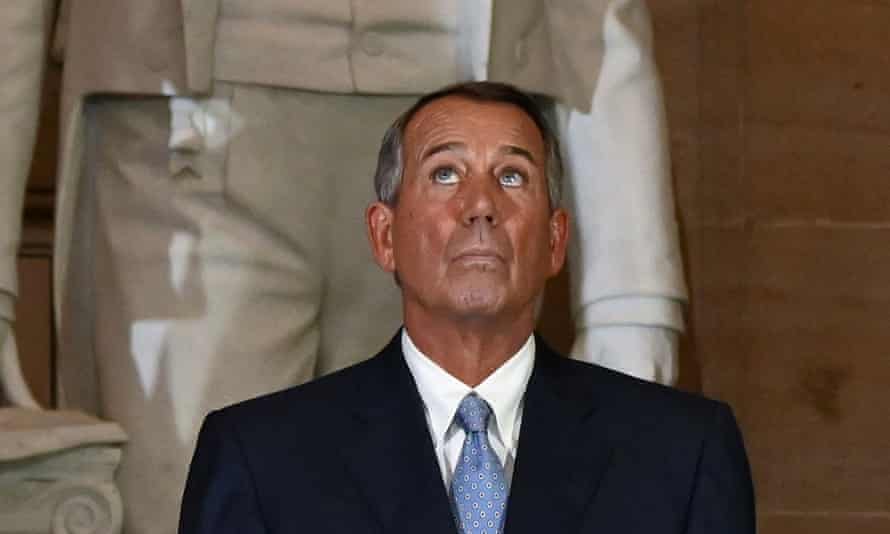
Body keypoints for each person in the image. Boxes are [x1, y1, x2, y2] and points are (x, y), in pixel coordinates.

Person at [1, 2, 686, 532]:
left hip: (464, 116)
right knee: (182, 499)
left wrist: (631, 296)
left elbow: (591, 17)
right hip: (183, 146)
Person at [179, 82, 755, 534]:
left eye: (511, 176)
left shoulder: (680, 452)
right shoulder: (261, 457)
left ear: (555, 241)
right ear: (385, 237)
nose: (480, 205)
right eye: (445, 173)